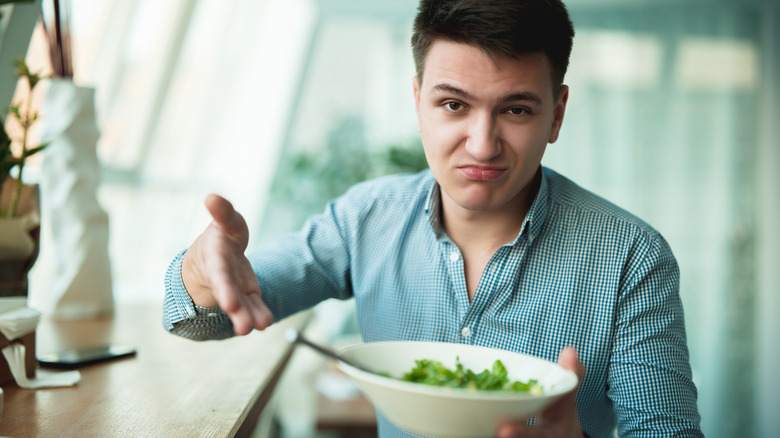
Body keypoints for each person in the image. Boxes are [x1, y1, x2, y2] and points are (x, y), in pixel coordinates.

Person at [163, 0, 703, 436]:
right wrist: (203, 273)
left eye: (516, 109)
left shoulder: (634, 255)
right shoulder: (364, 219)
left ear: (555, 114)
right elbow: (200, 320)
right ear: (418, 100)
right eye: (453, 105)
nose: (483, 144)